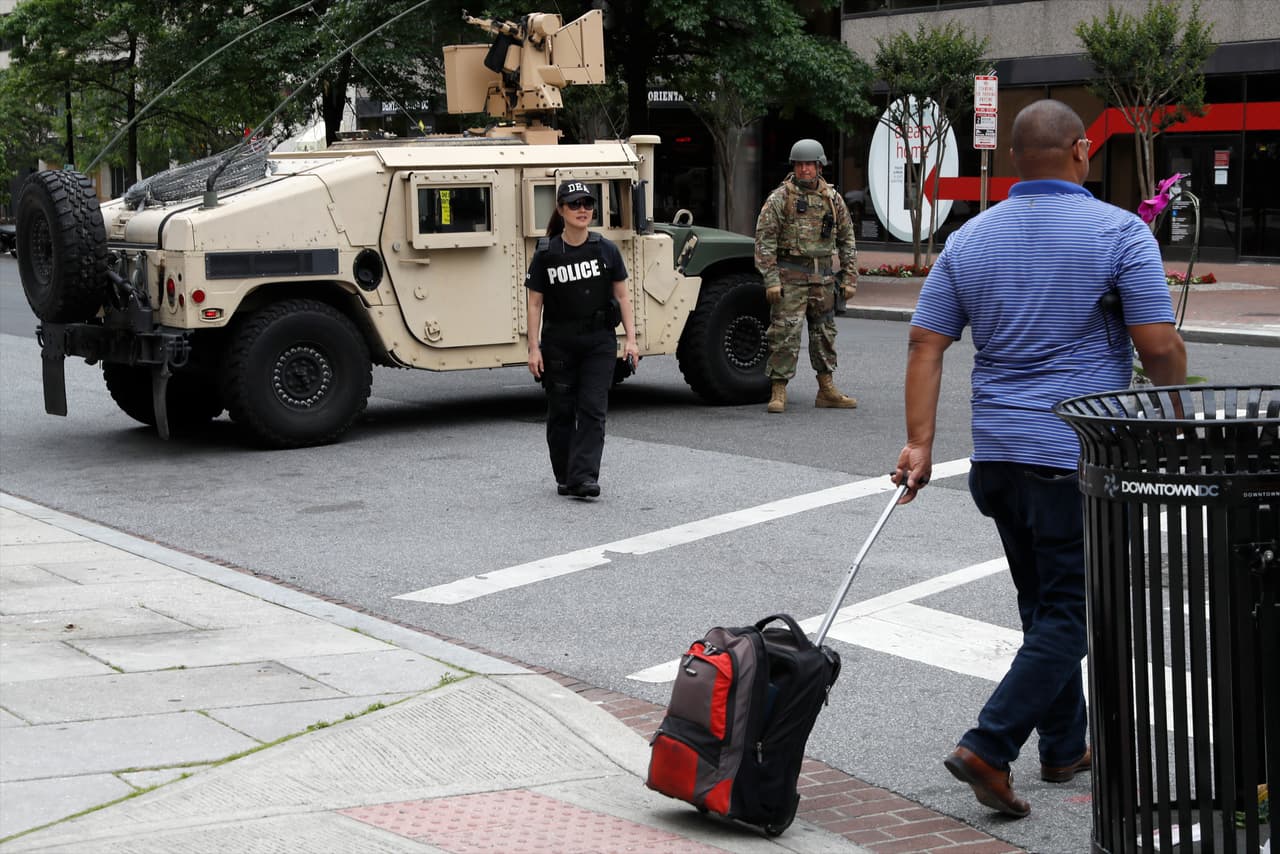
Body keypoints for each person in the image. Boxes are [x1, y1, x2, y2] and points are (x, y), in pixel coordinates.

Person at [891, 100, 1186, 818]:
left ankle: (1064, 746)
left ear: (1019, 160)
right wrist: (1175, 407)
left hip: (997, 460)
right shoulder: (1120, 232)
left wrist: (920, 445)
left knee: (1042, 606)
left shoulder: (971, 239)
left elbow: (927, 344)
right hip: (1074, 454)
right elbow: (1156, 346)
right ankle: (990, 746)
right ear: (1083, 151)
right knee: (1073, 613)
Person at [526, 181, 638, 499]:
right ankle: (566, 475)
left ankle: (584, 476)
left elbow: (623, 297)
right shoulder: (547, 253)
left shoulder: (606, 249)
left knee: (592, 409)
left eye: (587, 204)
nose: (582, 210)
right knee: (561, 410)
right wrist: (533, 348)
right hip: (559, 342)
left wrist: (631, 340)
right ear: (561, 210)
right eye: (575, 204)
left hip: (599, 342)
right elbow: (535, 304)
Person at [754, 138, 858, 414]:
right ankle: (778, 390)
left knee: (824, 333)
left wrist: (849, 278)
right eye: (800, 165)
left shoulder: (832, 200)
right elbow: (764, 240)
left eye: (809, 164)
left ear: (819, 166)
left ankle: (826, 388)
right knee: (784, 334)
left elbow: (847, 239)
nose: (804, 170)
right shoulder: (780, 198)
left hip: (822, 278)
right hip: (790, 278)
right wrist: (771, 279)